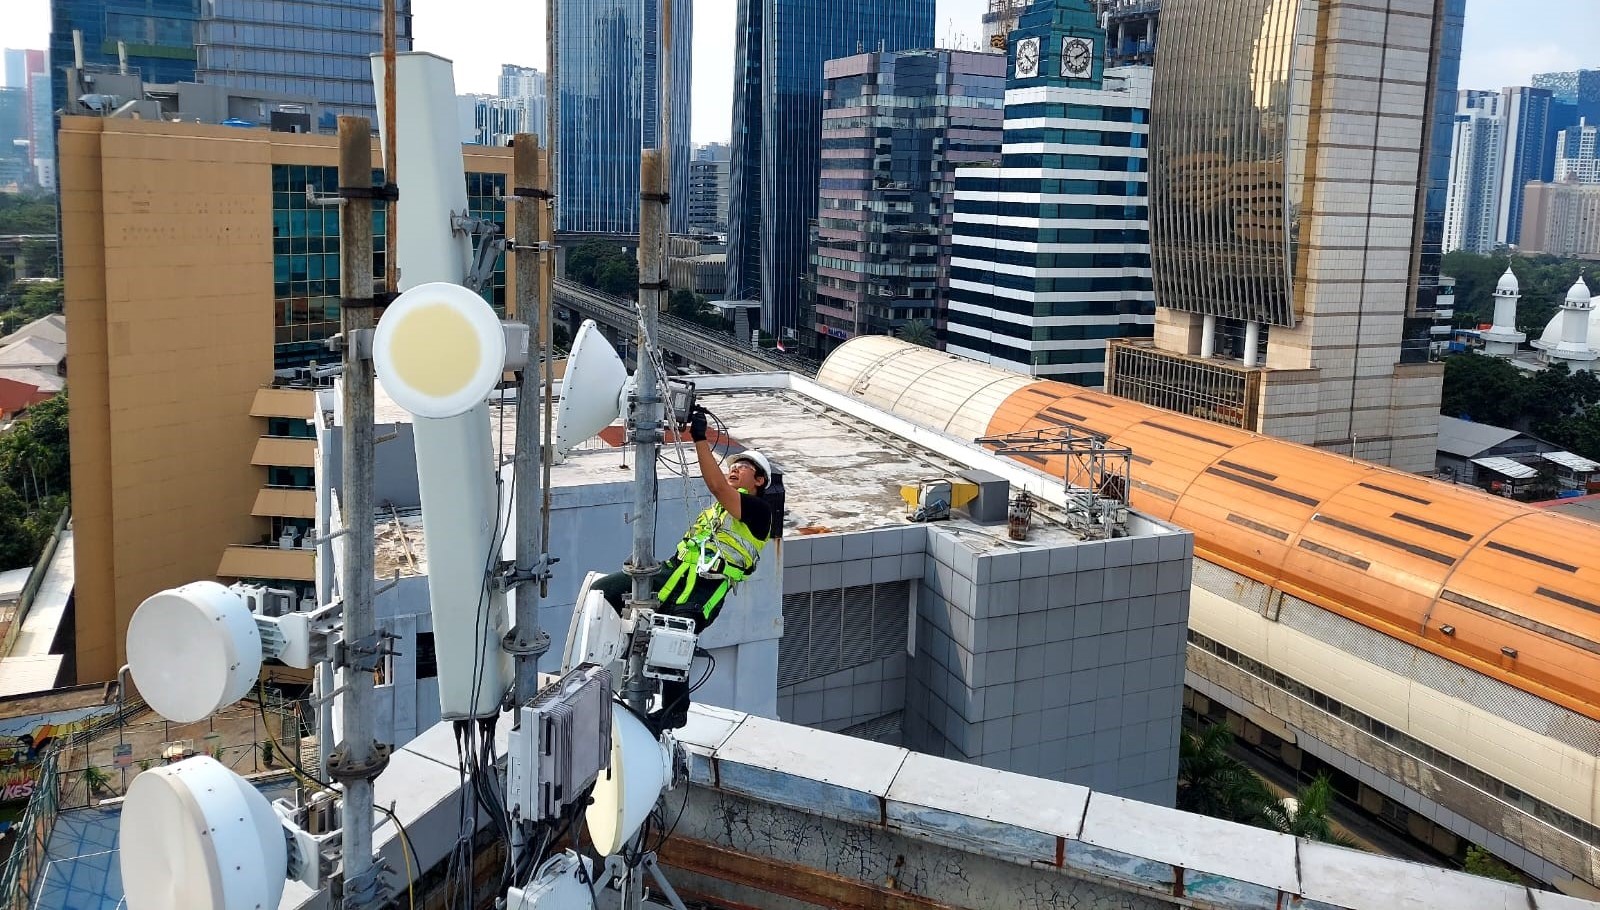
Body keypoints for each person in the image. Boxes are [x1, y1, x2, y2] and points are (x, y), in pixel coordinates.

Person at [591, 406, 774, 731]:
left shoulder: (760, 512)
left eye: (744, 467)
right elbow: (720, 490)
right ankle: (614, 662)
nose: (735, 470)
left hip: (705, 587)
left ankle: (675, 709)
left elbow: (718, 486)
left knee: (673, 635)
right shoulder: (721, 509)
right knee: (603, 592)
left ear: (759, 480)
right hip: (673, 573)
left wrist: (699, 438)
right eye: (734, 465)